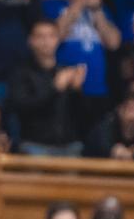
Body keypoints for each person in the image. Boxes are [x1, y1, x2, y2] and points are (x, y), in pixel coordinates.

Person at [9, 18, 85, 154]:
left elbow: (82, 114)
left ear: (58, 39)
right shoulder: (21, 73)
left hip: (69, 145)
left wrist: (77, 90)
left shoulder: (66, 71)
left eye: (51, 36)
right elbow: (22, 107)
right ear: (31, 41)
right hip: (35, 145)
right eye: (40, 36)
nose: (46, 41)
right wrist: (54, 88)